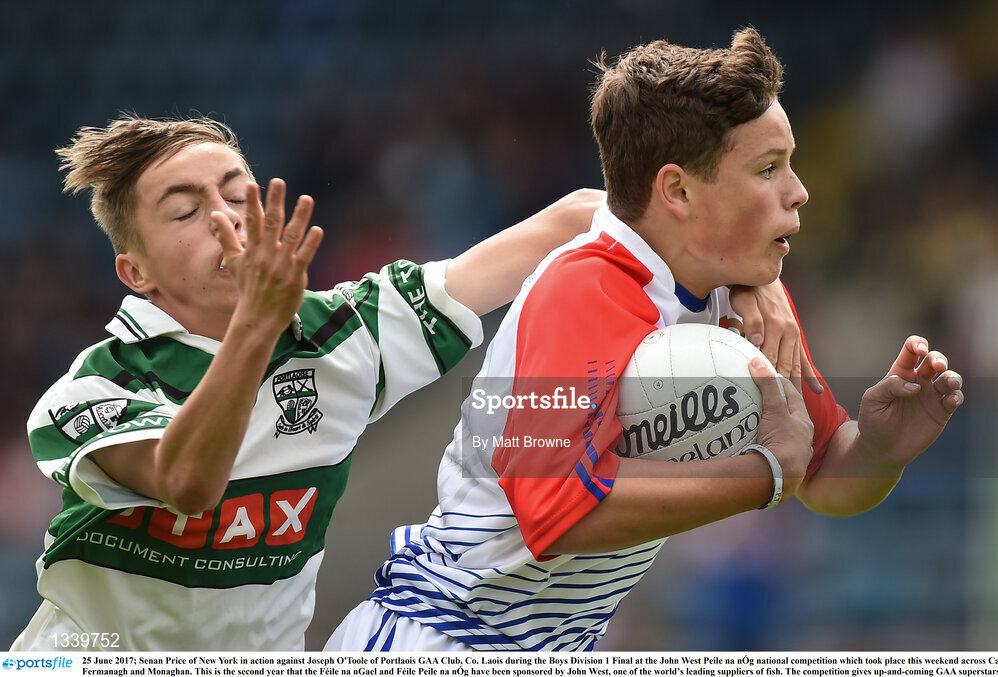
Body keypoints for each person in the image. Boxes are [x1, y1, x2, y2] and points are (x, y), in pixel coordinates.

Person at [13, 114, 800, 651]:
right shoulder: (93, 389)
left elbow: (582, 216)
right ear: (135, 271)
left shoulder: (344, 332)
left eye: (236, 192)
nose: (226, 219)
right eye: (186, 212)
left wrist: (740, 267)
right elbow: (187, 483)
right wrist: (259, 323)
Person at [326, 28, 965, 652]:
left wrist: (880, 450)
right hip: (435, 640)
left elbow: (824, 474)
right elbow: (554, 509)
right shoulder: (583, 290)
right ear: (678, 190)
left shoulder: (736, 296)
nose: (798, 192)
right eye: (768, 169)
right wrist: (761, 475)